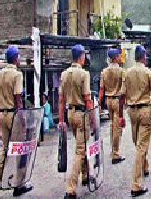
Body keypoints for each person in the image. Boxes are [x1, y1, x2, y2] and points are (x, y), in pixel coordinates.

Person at [0, 46, 33, 198]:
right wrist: (23, 119)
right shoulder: (17, 75)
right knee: (21, 149)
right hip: (14, 115)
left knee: (4, 149)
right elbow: (18, 98)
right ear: (16, 58)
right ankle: (19, 184)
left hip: (1, 115)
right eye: (19, 57)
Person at [120, 45, 151, 197]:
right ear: (144, 57)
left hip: (132, 111)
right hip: (145, 111)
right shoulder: (148, 73)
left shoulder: (128, 73)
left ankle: (145, 167)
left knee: (138, 142)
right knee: (141, 146)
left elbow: (122, 96)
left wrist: (120, 115)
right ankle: (136, 185)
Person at [58, 44, 92, 199]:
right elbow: (87, 98)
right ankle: (70, 189)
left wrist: (61, 120)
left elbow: (60, 99)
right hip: (81, 113)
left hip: (69, 113)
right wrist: (93, 119)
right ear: (81, 57)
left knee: (81, 145)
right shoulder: (84, 74)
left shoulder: (64, 74)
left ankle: (86, 176)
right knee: (80, 150)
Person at [99, 48, 125, 164]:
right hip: (117, 100)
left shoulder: (104, 71)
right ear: (115, 58)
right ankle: (115, 153)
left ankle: (113, 150)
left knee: (112, 126)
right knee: (117, 127)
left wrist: (99, 104)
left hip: (108, 100)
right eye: (119, 56)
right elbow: (124, 90)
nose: (120, 58)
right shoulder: (121, 71)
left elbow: (101, 89)